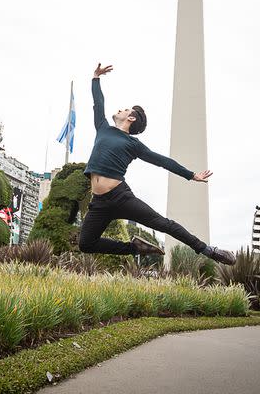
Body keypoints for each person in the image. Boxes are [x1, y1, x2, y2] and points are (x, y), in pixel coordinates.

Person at [77, 63, 236, 264]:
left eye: (125, 109)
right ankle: (134, 248)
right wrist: (95, 78)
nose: (120, 109)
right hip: (99, 202)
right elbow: (98, 103)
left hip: (120, 197)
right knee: (86, 243)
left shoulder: (133, 144)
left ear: (131, 118)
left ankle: (207, 250)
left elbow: (162, 161)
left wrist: (191, 174)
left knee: (164, 224)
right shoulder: (103, 128)